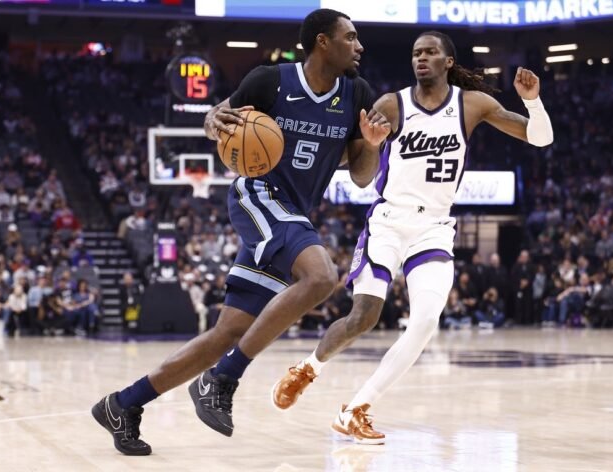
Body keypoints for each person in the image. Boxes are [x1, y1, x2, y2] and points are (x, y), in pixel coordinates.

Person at [91, 8, 390, 455]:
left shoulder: (357, 93)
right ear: (322, 42)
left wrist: (371, 144)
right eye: (350, 37)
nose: (359, 45)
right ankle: (222, 379)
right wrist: (213, 121)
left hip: (292, 211)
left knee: (227, 333)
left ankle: (123, 405)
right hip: (258, 194)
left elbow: (363, 177)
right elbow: (218, 119)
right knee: (322, 277)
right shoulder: (270, 81)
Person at [271, 30, 553, 444]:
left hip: (434, 227)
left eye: (430, 52)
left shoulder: (472, 104)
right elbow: (357, 166)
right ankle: (308, 368)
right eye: (416, 53)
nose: (421, 58)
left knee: (424, 323)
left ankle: (355, 410)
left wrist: (532, 101)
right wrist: (370, 146)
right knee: (363, 317)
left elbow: (541, 137)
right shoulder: (392, 104)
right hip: (388, 221)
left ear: (448, 62)